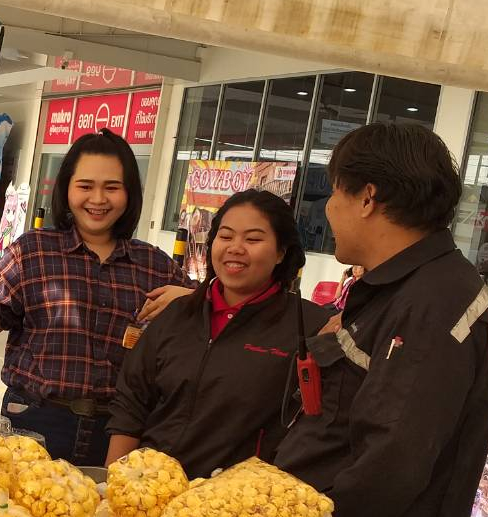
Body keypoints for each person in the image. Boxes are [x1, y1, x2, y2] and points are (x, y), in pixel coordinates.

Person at [274, 122, 488, 517]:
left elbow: (395, 458)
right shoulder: (398, 287)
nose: (329, 209)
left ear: (368, 197)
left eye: (335, 191)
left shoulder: (435, 301)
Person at [0, 129, 191, 464]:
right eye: (85, 186)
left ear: (130, 194)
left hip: (119, 431)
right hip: (35, 420)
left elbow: (208, 315)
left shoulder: (155, 265)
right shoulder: (32, 250)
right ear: (66, 189)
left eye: (112, 187)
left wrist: (190, 297)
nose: (98, 199)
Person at [106, 190, 329, 477]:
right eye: (226, 236)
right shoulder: (177, 314)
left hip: (232, 507)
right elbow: (131, 404)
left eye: (253, 239)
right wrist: (114, 482)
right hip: (153, 491)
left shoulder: (308, 327)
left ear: (281, 253)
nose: (235, 248)